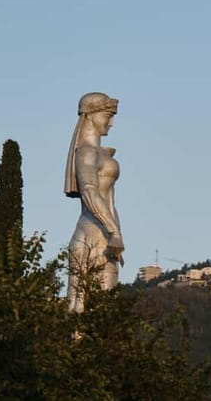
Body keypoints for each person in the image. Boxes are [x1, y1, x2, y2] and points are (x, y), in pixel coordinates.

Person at [64, 92, 124, 313]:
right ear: (90, 115)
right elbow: (89, 193)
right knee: (80, 306)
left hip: (106, 237)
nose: (111, 122)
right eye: (108, 115)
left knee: (107, 310)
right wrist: (113, 230)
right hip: (90, 235)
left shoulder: (103, 155)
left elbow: (109, 199)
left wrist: (116, 233)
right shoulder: (86, 153)